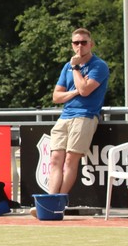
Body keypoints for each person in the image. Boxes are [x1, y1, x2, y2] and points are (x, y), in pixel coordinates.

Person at [44, 28, 109, 199]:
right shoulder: (66, 66)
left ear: (91, 44)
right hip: (65, 116)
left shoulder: (98, 65)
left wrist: (75, 67)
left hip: (85, 115)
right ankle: (50, 199)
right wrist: (74, 92)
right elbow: (56, 97)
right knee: (55, 159)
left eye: (83, 42)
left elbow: (85, 90)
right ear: (72, 45)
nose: (80, 46)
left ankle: (59, 200)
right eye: (76, 43)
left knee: (70, 160)